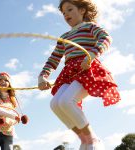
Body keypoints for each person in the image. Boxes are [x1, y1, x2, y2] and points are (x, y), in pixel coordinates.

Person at [38, 0, 121, 150]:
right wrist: (43, 76)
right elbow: (53, 59)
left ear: (82, 10)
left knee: (65, 101)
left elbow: (106, 38)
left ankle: (92, 139)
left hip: (86, 69)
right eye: (63, 12)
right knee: (55, 104)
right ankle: (83, 138)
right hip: (69, 73)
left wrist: (92, 54)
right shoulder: (64, 37)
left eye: (69, 10)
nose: (66, 14)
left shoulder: (90, 27)